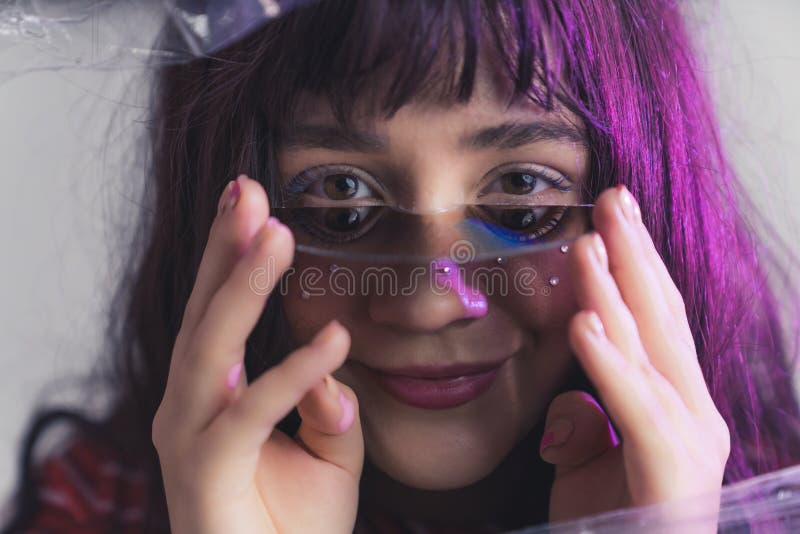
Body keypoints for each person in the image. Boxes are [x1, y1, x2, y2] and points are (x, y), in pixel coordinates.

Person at [3, 0, 800, 532]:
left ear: (648, 203)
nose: (428, 301)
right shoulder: (97, 505)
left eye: (522, 195)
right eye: (341, 198)